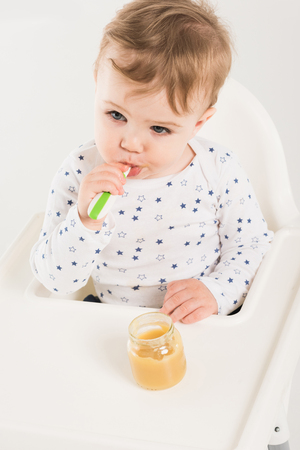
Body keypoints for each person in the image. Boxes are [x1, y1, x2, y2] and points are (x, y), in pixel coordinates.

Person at [30, 0, 273, 323]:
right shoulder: (80, 172)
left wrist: (216, 292)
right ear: (97, 86)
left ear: (198, 123)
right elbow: (55, 281)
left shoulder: (217, 169)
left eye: (159, 128)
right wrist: (84, 221)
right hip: (110, 323)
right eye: (116, 115)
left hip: (206, 321)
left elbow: (252, 246)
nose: (130, 143)